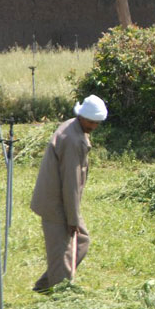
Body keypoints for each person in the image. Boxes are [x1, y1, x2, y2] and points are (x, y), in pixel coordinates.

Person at [30, 94, 107, 292]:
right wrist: (72, 219)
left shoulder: (74, 126)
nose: (94, 126)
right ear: (81, 116)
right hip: (55, 202)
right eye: (91, 122)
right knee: (62, 250)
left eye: (97, 122)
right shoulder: (72, 140)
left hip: (62, 200)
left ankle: (45, 286)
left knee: (81, 240)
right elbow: (70, 183)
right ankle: (60, 293)